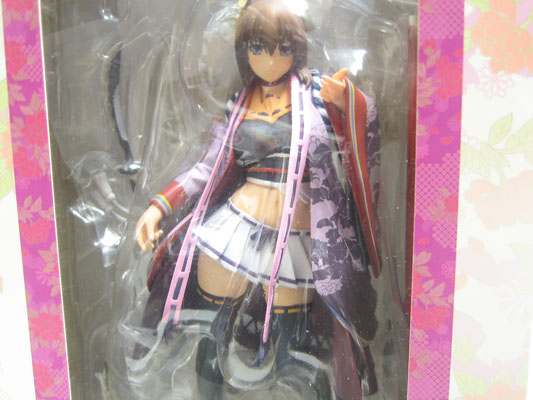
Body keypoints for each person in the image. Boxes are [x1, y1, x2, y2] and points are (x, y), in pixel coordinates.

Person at [135, 0, 380, 397]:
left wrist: (347, 102)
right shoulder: (239, 103)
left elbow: (362, 132)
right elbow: (206, 167)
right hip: (234, 230)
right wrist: (158, 206)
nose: (271, 59)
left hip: (297, 241)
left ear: (297, 49)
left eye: (283, 48)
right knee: (212, 330)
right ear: (244, 50)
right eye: (259, 47)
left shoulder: (316, 95)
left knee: (294, 347)